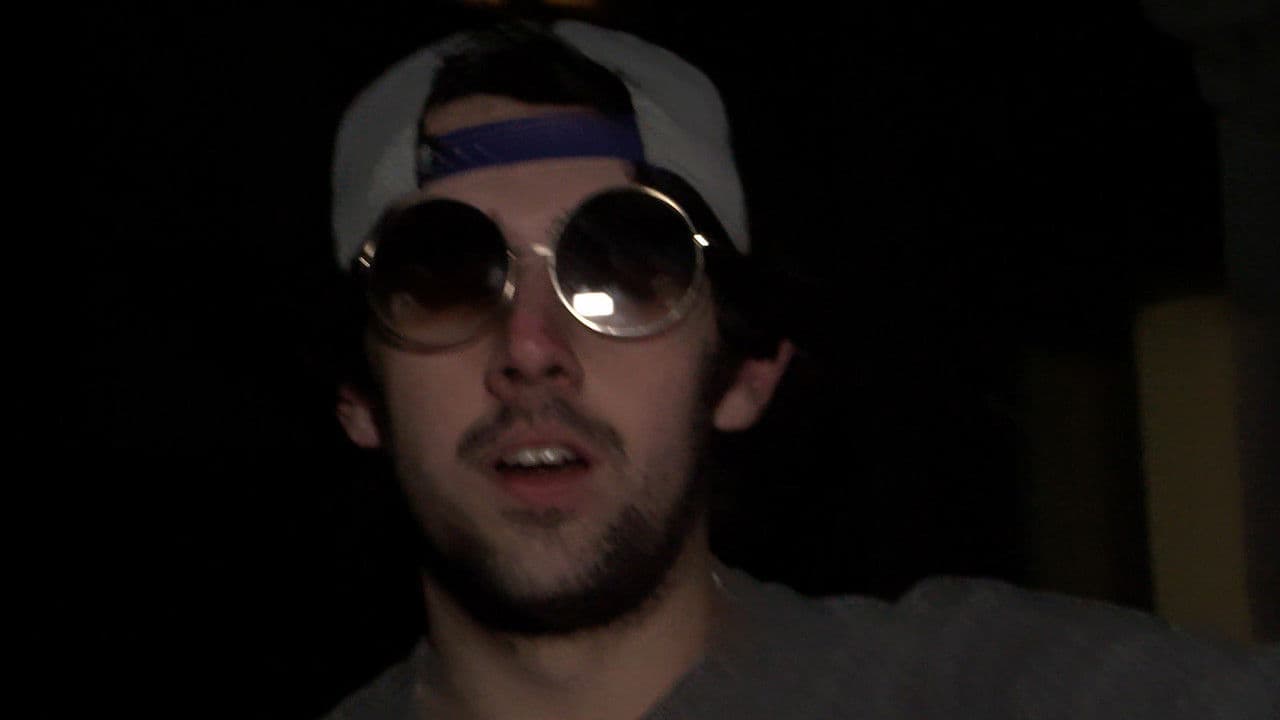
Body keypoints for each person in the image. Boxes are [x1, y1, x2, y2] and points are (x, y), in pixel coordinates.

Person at [322, 17, 1277, 720]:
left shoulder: (989, 689)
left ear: (746, 375)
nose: (532, 349)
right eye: (441, 279)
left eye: (622, 272)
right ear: (359, 396)